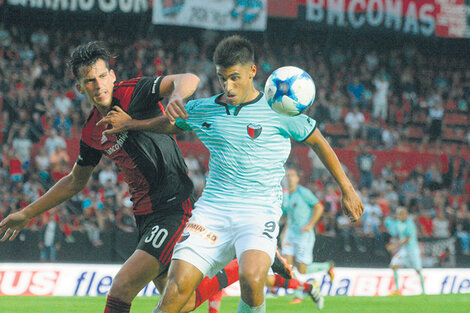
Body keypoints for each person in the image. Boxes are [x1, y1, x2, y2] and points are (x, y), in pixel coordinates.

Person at [97, 35, 363, 313]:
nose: (228, 86)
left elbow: (318, 141)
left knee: (251, 278)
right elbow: (170, 124)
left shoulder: (281, 109)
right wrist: (132, 123)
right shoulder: (204, 108)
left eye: (235, 77)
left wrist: (348, 190)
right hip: (212, 211)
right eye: (222, 78)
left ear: (252, 71)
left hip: (259, 212)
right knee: (175, 292)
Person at [0, 41, 240, 313]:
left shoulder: (133, 93)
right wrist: (28, 213)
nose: (99, 85)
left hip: (174, 205)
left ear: (112, 76)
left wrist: (175, 98)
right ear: (80, 88)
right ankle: (234, 270)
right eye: (90, 81)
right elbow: (74, 181)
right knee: (181, 303)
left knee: (121, 288)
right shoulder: (92, 130)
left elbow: (188, 79)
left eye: (103, 76)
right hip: (145, 215)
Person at [281, 166, 334, 304]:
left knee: (302, 269)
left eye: (292, 175)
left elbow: (319, 207)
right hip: (291, 234)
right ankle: (298, 294)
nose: (289, 177)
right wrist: (283, 233)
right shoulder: (285, 196)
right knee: (288, 266)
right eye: (287, 175)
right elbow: (288, 217)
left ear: (298, 179)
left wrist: (311, 224)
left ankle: (327, 266)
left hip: (304, 235)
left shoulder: (304, 193)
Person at [388, 207, 425, 295]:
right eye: (399, 214)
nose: (401, 216)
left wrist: (394, 246)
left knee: (418, 270)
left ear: (406, 214)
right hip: (404, 250)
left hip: (412, 250)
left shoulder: (410, 224)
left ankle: (423, 291)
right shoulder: (397, 223)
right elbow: (396, 235)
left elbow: (407, 239)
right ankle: (397, 289)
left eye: (402, 213)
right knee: (394, 265)